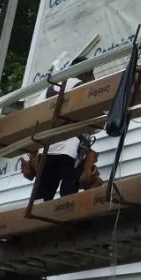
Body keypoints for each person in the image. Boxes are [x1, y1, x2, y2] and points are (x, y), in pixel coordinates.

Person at [33, 52, 93, 201]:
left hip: (47, 151)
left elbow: (34, 116)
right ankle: (65, 222)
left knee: (41, 198)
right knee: (68, 199)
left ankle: (38, 222)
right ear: (86, 71)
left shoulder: (49, 89)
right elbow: (91, 117)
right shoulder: (82, 86)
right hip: (70, 151)